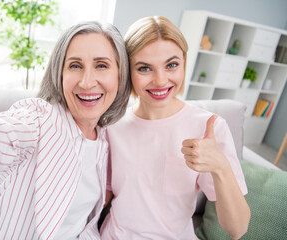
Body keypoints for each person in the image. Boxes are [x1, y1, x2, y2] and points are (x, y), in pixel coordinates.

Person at [0, 21, 131, 239]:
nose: (87, 82)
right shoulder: (39, 120)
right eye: (75, 65)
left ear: (120, 75)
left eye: (101, 65)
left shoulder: (104, 140)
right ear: (59, 74)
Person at [100, 16, 250, 240]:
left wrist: (220, 166)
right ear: (127, 71)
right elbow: (104, 195)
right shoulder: (112, 124)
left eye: (171, 65)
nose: (161, 81)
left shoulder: (208, 127)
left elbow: (237, 229)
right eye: (144, 68)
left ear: (184, 63)